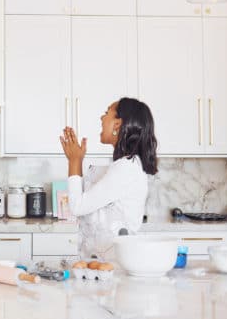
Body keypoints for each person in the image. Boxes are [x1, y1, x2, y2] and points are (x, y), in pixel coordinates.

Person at [59, 97, 158, 260]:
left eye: (107, 113)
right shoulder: (125, 165)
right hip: (101, 266)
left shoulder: (126, 168)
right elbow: (91, 203)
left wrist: (74, 161)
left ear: (118, 124)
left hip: (113, 269)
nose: (102, 117)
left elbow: (78, 206)